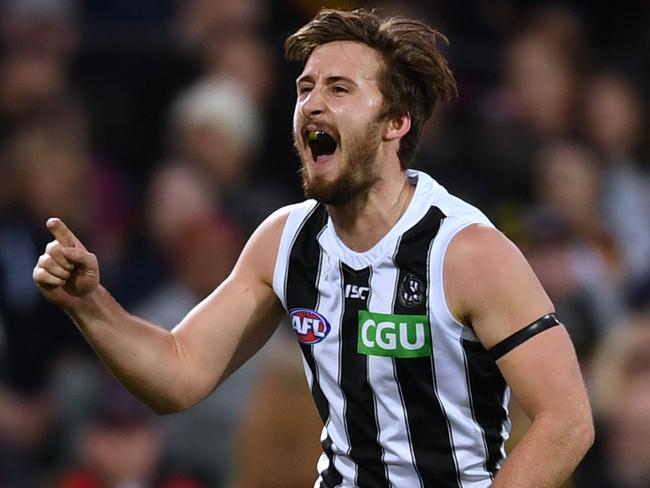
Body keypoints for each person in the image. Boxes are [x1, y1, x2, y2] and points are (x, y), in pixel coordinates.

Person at [32, 8, 594, 488]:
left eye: (339, 88)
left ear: (395, 122)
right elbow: (178, 375)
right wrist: (89, 302)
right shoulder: (286, 241)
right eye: (306, 87)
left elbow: (567, 421)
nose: (312, 104)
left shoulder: (466, 251)